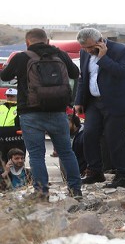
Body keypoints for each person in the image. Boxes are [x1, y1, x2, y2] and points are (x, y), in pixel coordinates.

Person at [0, 28, 82, 200]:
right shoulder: (61, 55)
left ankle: (41, 193)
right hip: (58, 111)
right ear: (47, 41)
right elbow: (75, 74)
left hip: (30, 113)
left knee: (36, 154)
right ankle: (75, 190)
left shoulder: (22, 57)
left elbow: (5, 75)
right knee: (66, 152)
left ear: (27, 42)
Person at [74, 28, 125, 188]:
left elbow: (123, 72)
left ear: (100, 41)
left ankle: (124, 174)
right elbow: (83, 78)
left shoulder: (121, 50)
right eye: (84, 48)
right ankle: (95, 171)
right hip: (93, 102)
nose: (87, 51)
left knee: (114, 139)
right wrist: (79, 100)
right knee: (88, 134)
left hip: (117, 102)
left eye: (90, 48)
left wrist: (103, 58)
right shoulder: (85, 53)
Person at [0, 88, 25, 163]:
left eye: (12, 96)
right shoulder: (1, 107)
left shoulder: (20, 108)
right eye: (8, 96)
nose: (9, 98)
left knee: (16, 160)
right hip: (1, 137)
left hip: (15, 137)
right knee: (2, 160)